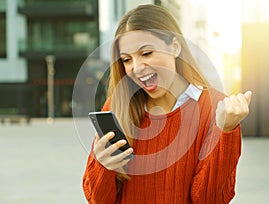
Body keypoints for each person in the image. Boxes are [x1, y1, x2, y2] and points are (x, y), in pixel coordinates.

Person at [82, 4, 252, 204]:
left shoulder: (216, 108)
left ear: (175, 47)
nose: (136, 68)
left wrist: (227, 130)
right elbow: (97, 200)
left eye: (146, 53)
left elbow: (208, 199)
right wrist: (102, 165)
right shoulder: (117, 106)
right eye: (127, 59)